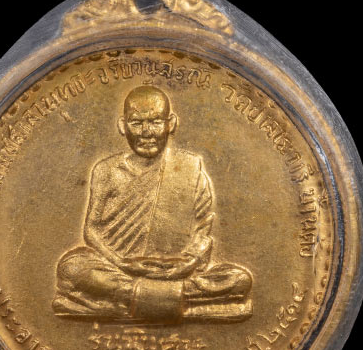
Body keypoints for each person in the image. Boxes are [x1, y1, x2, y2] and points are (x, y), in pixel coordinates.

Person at [53, 85, 253, 323]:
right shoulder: (106, 170)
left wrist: (189, 262)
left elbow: (203, 229)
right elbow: (91, 230)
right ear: (122, 125)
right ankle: (185, 303)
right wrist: (121, 263)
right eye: (136, 123)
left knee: (239, 279)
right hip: (120, 269)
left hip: (176, 271)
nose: (146, 132)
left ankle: (123, 302)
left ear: (171, 124)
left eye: (156, 122)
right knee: (72, 268)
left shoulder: (190, 167)